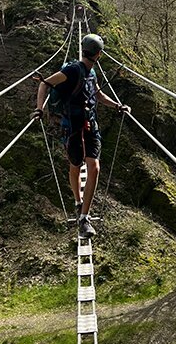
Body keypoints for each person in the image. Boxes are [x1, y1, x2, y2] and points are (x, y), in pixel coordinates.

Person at [32, 34, 130, 238]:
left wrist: (117, 106)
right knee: (75, 166)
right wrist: (39, 109)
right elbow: (45, 84)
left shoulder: (92, 72)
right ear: (99, 54)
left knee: (94, 167)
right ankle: (78, 202)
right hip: (72, 128)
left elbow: (98, 95)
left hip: (90, 126)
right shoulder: (72, 70)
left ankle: (84, 218)